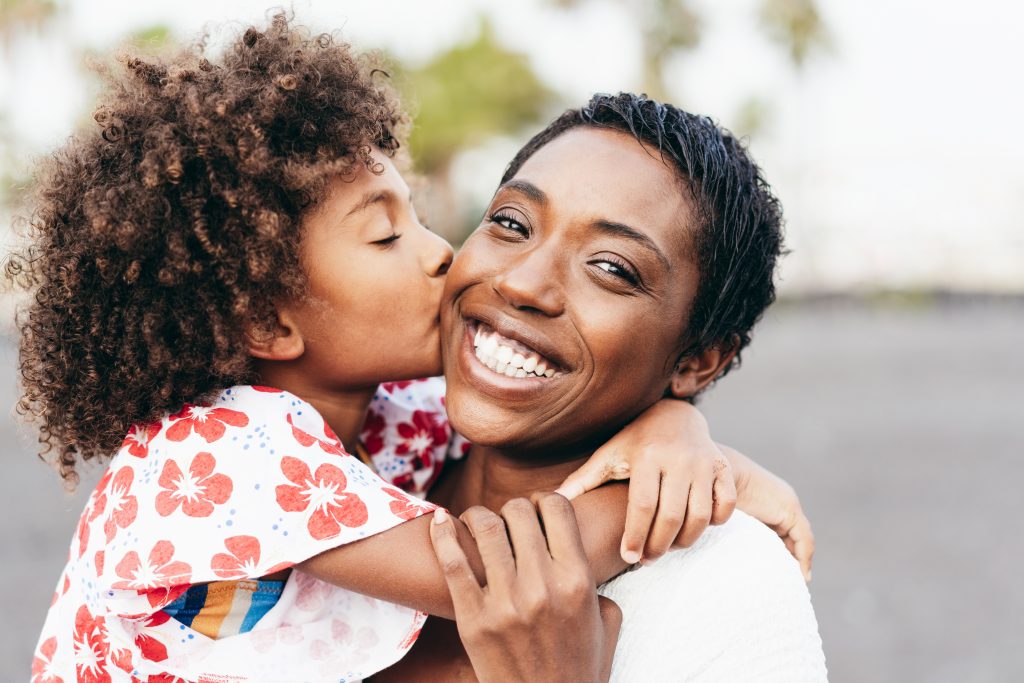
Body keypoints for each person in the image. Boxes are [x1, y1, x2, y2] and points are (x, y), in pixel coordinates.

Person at [16, 15, 812, 683]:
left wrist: (679, 429)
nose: (443, 255)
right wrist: (702, 483)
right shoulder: (214, 450)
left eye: (611, 266)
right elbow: (483, 567)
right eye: (388, 235)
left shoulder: (393, 419)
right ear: (267, 323)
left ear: (700, 356)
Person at [380, 93, 828, 681]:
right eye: (512, 224)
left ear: (697, 361)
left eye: (612, 267)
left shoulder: (729, 586)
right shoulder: (359, 462)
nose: (523, 283)